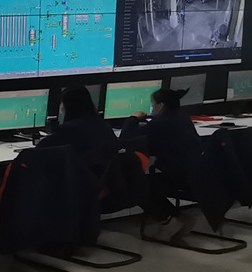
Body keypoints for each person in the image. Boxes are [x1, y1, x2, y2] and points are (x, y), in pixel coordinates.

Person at [120, 87, 200, 241]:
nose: (152, 108)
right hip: (196, 174)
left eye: (153, 104)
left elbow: (125, 138)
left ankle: (168, 222)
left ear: (161, 105)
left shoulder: (160, 123)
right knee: (149, 181)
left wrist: (133, 118)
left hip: (181, 177)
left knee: (138, 185)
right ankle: (177, 218)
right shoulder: (183, 118)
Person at [37, 86, 117, 175]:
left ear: (67, 106)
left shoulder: (67, 130)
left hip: (75, 179)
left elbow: (39, 150)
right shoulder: (103, 124)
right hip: (99, 179)